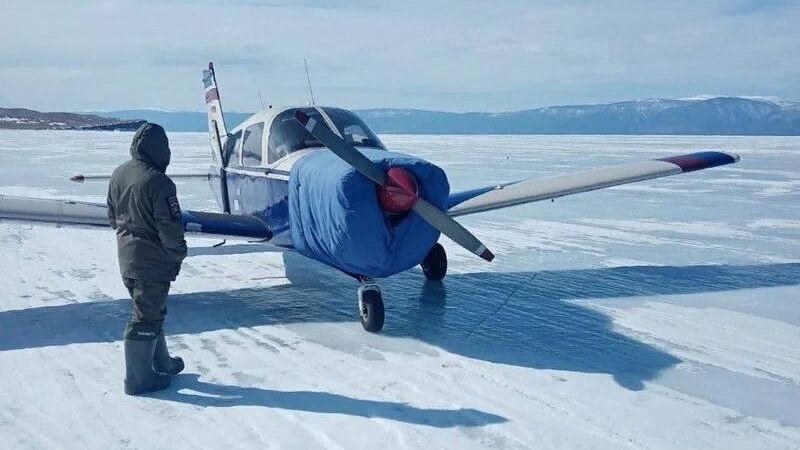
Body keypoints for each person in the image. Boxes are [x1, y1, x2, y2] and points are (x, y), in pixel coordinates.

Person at [107, 123, 188, 395]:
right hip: (151, 263)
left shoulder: (119, 173)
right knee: (145, 316)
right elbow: (171, 228)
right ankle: (138, 379)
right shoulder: (159, 182)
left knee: (152, 310)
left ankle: (161, 362)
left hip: (128, 259)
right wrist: (177, 253)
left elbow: (111, 216)